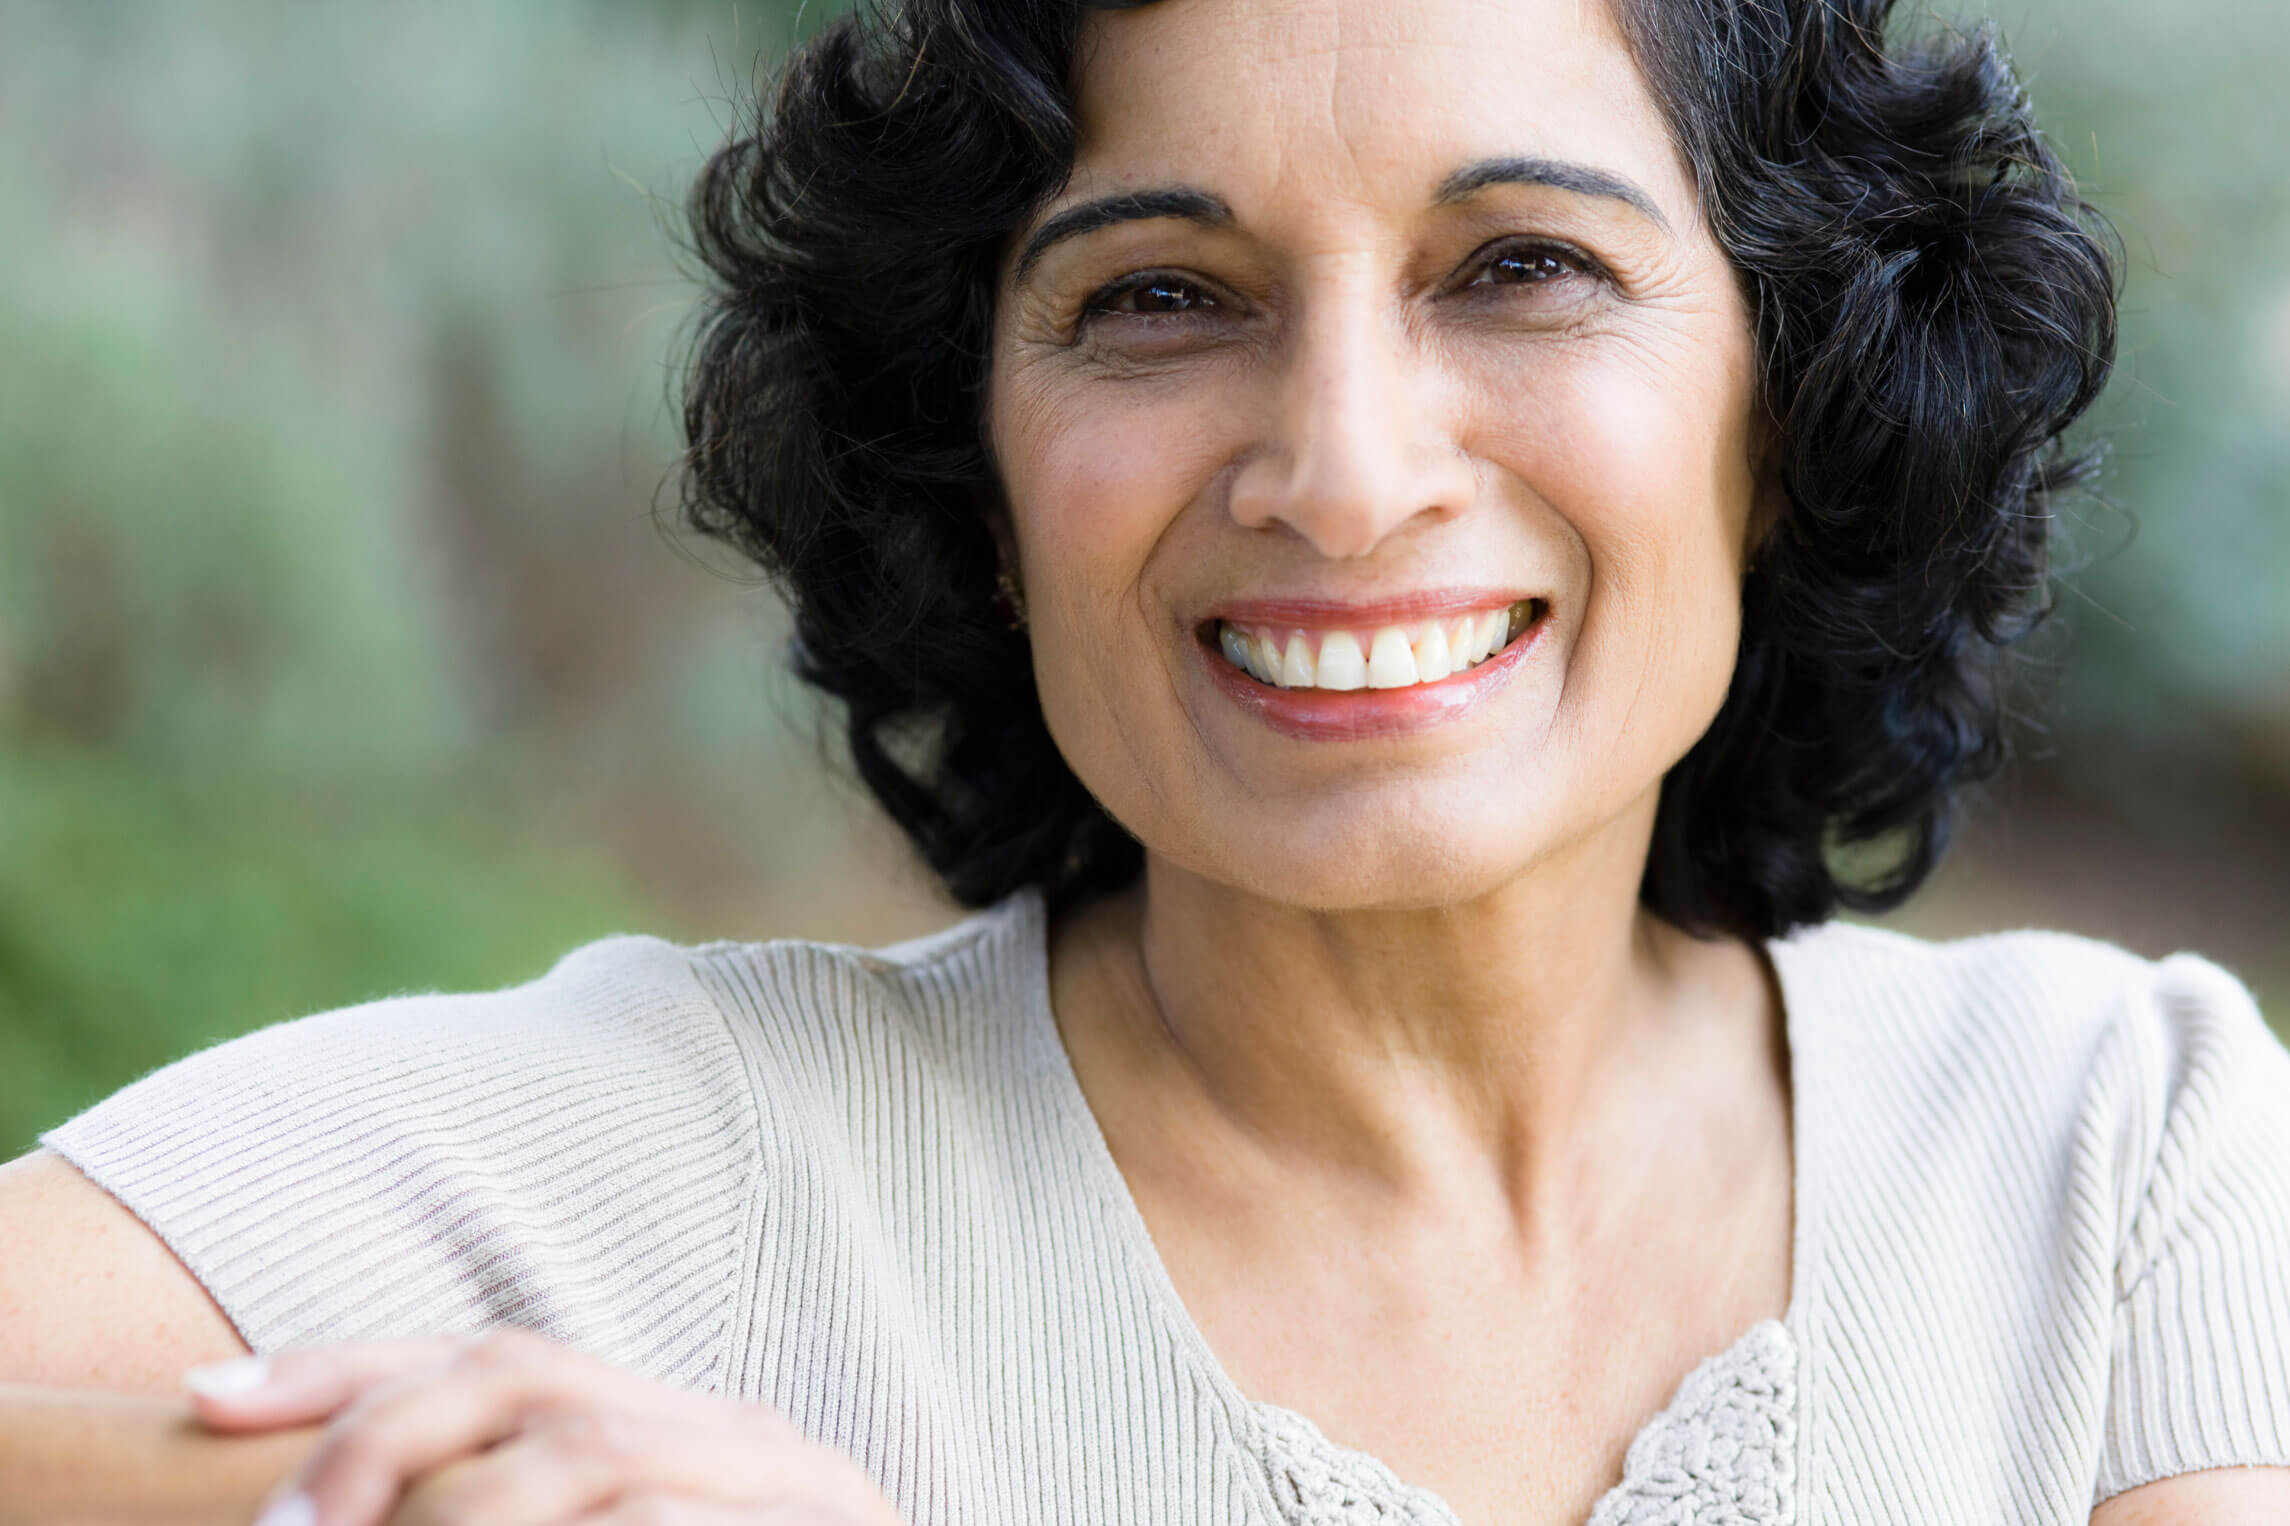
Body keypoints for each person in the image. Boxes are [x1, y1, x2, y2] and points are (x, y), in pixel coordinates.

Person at [5, 0, 2288, 1521]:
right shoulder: (659, 1162)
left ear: (1785, 415)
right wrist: (379, 1496)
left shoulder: (2118, 1157)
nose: (1340, 466)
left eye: (1514, 268)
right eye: (1159, 300)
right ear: (977, 480)